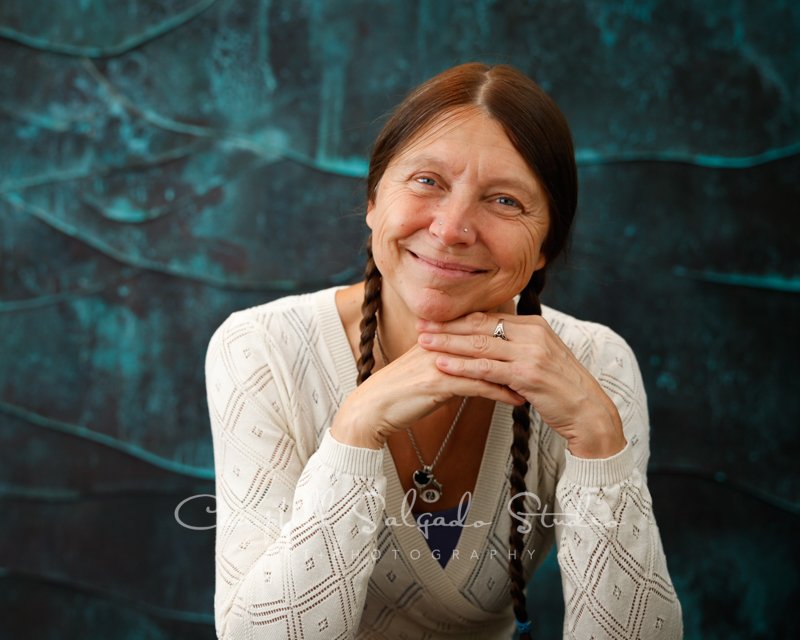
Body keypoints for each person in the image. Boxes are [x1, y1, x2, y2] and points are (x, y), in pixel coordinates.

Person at [205, 62, 683, 639]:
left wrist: (600, 440)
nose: (453, 228)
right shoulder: (261, 349)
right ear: (374, 202)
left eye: (504, 201)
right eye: (427, 181)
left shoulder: (597, 366)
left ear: (543, 250)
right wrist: (354, 431)